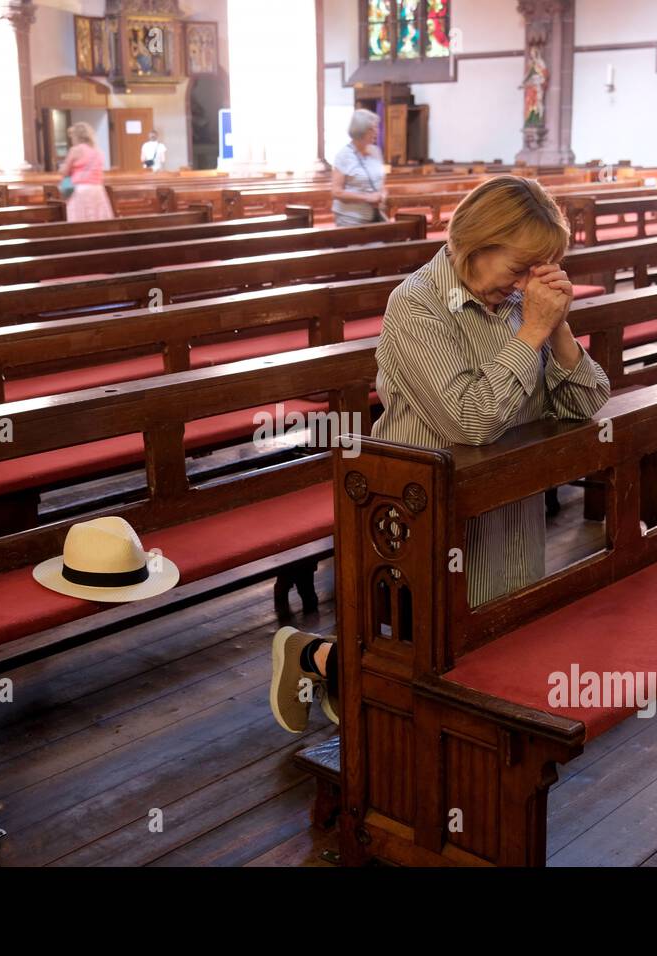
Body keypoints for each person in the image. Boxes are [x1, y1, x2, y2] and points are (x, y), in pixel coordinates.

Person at [270, 176, 612, 733]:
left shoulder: (521, 303)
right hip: (418, 506)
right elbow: (470, 421)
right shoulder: (417, 307)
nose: (530, 283)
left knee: (493, 634)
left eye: (542, 270)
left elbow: (587, 402)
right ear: (476, 246)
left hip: (501, 499)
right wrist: (530, 334)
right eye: (521, 268)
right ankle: (315, 660)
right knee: (417, 651)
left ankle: (462, 764)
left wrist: (559, 328)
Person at [330, 109, 386, 226]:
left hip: (375, 215)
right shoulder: (344, 155)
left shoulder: (376, 152)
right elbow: (336, 192)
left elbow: (380, 183)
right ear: (360, 130)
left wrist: (382, 195)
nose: (376, 132)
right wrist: (367, 198)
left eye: (377, 128)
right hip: (350, 218)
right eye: (372, 128)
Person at [60, 121, 113, 222]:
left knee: (80, 222)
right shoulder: (98, 151)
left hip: (80, 190)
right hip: (98, 189)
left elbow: (65, 171)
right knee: (98, 221)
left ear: (76, 136)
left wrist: (62, 168)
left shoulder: (76, 150)